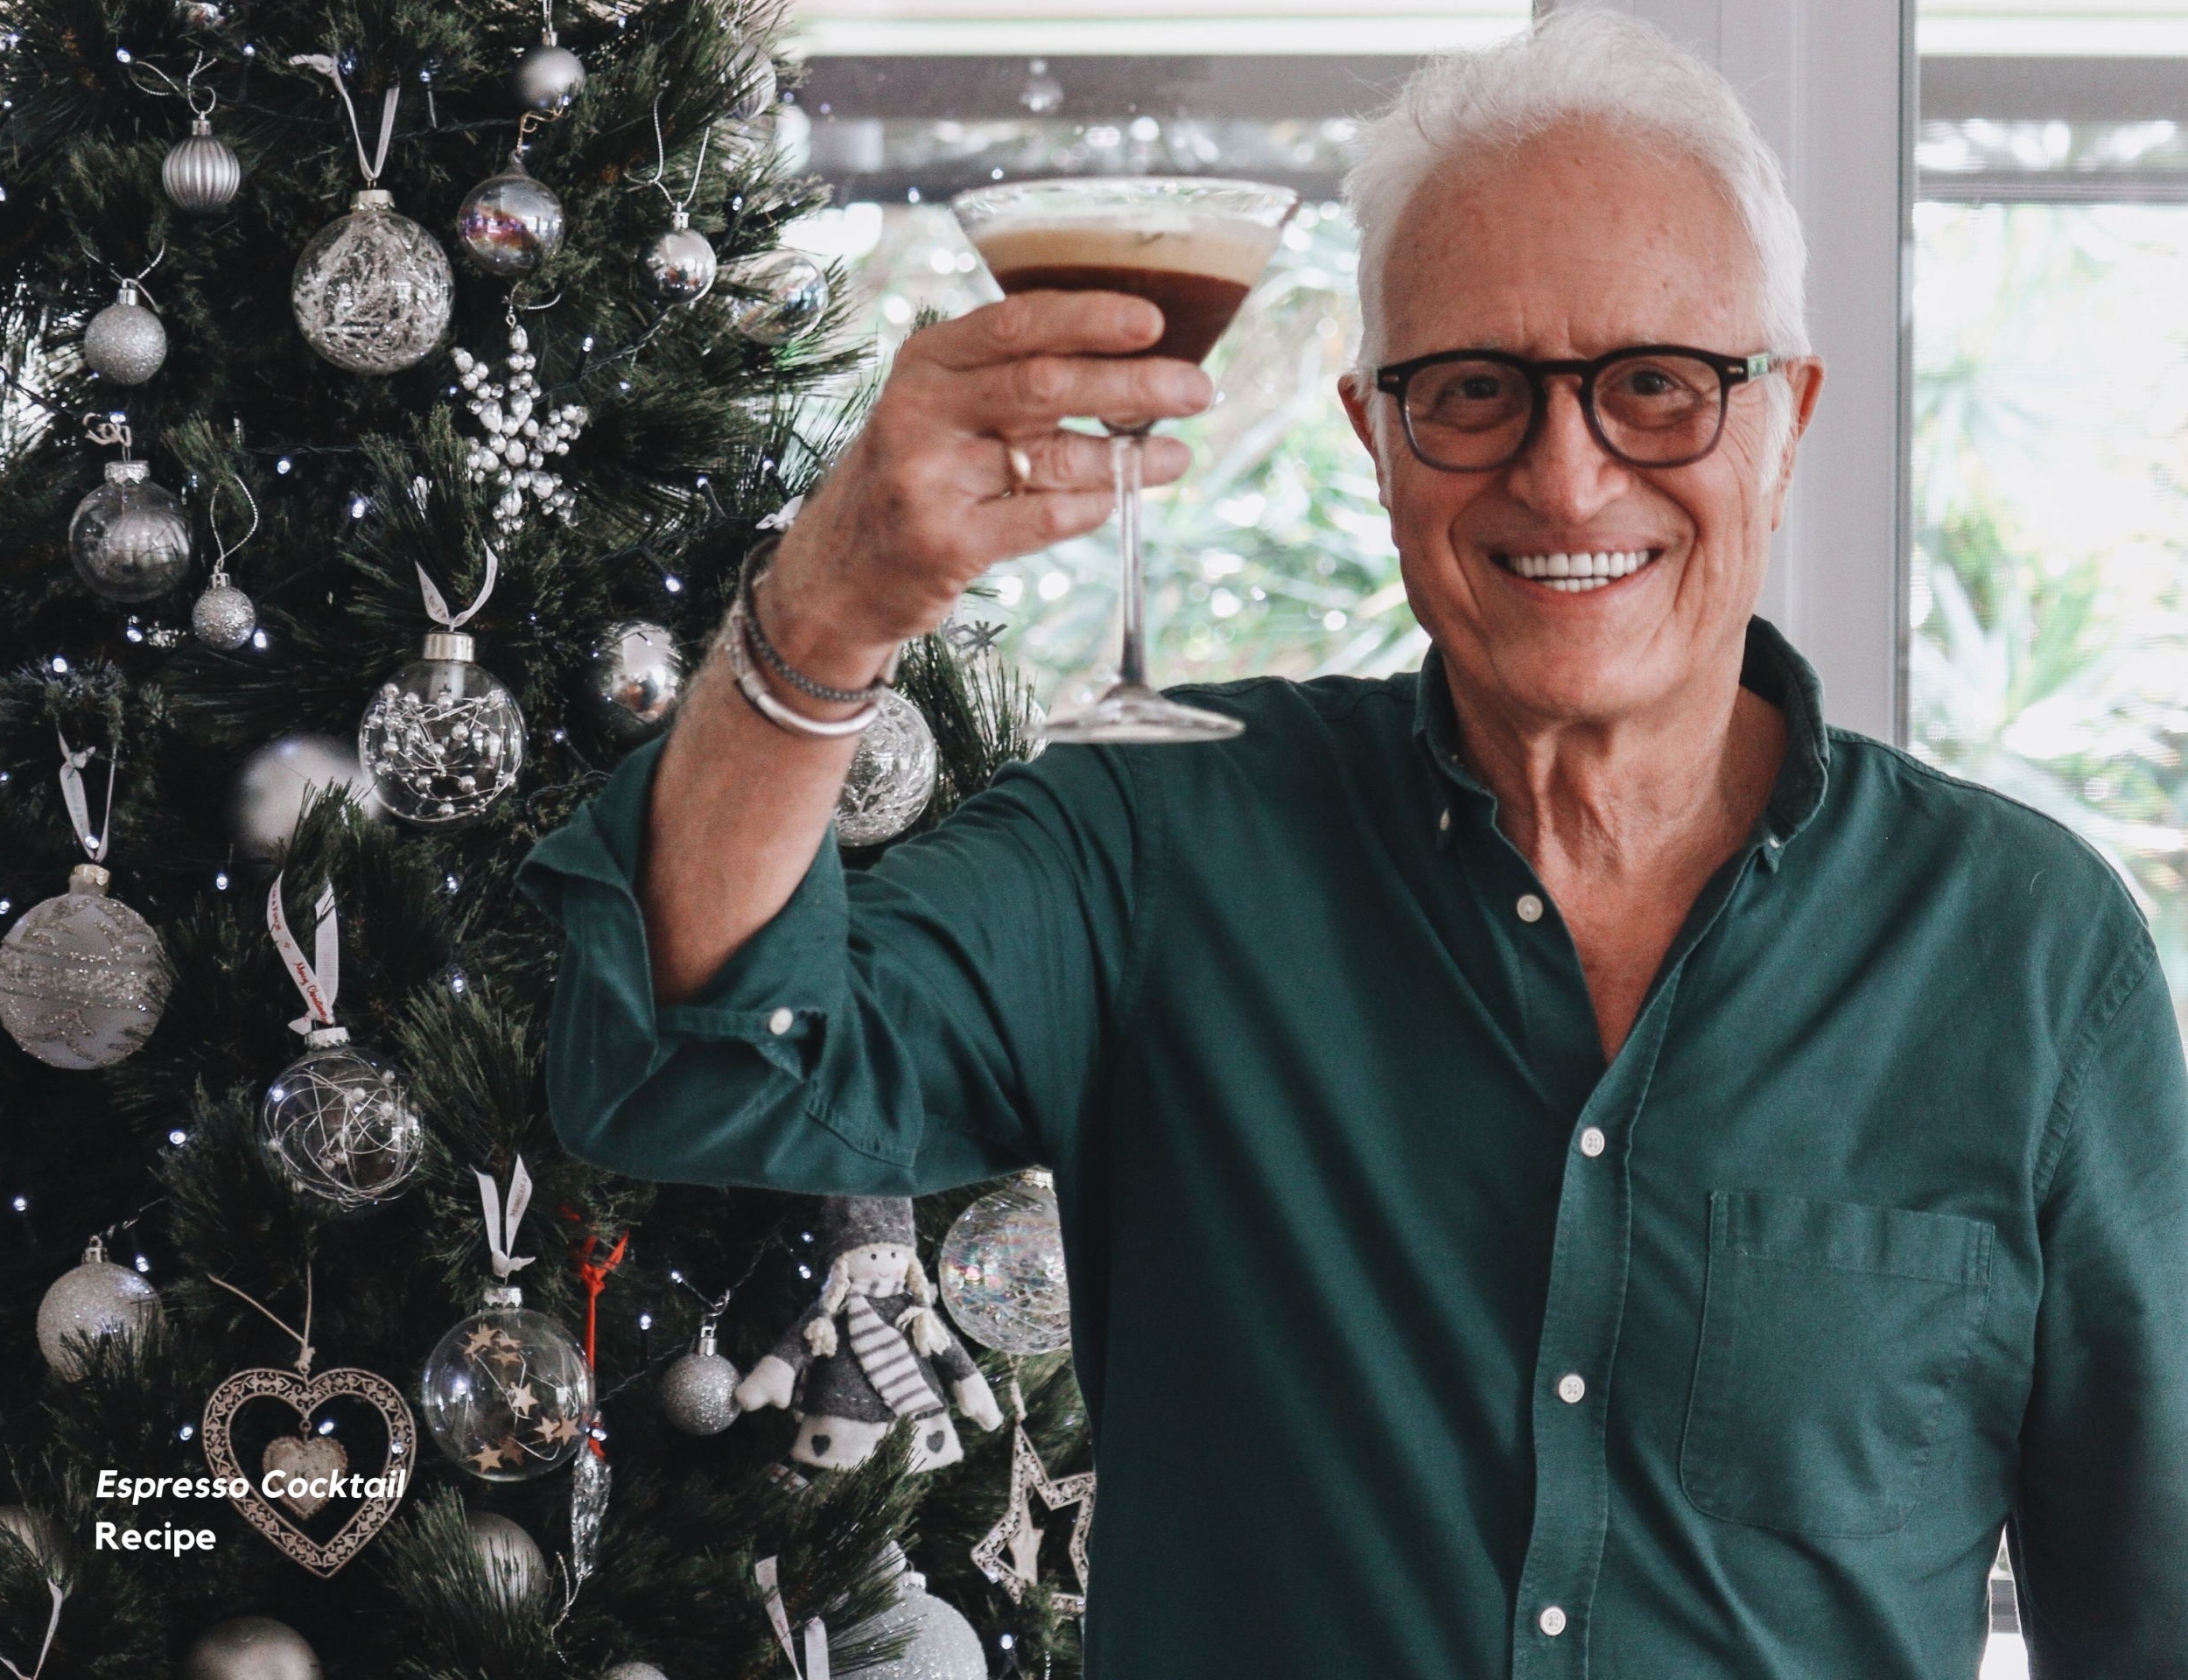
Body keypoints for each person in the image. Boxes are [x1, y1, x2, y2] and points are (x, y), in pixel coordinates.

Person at [520, 10, 2188, 1675]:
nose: (1567, 476)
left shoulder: (2030, 957)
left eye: (1659, 389)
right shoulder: (1151, 840)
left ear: (1787, 416)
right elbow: (688, 1059)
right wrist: (833, 599)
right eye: (1473, 392)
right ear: (1373, 437)